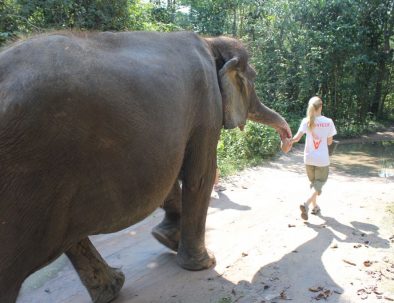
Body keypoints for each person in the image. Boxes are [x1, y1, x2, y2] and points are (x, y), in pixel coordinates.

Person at [291, 96, 337, 220]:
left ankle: (315, 206)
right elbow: (329, 142)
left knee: (314, 184)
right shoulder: (328, 121)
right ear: (321, 106)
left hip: (308, 159)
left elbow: (296, 139)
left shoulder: (306, 121)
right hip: (322, 160)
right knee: (319, 184)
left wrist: (286, 140)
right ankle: (306, 204)